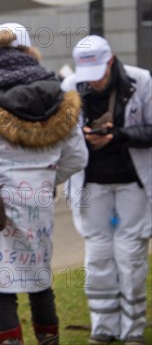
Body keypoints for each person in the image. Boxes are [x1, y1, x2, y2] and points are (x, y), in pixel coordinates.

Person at [0, 23, 88, 345]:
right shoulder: (60, 97)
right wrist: (43, 179)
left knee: (2, 290)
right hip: (38, 204)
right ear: (31, 51)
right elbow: (77, 157)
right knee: (40, 282)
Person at [61, 35, 151, 345]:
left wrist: (120, 135)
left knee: (130, 255)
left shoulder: (142, 82)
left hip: (133, 182)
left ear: (110, 61)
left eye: (98, 73)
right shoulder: (70, 87)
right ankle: (103, 326)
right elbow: (60, 136)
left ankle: (133, 328)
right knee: (97, 254)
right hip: (91, 183)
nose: (94, 82)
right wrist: (84, 138)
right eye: (88, 75)